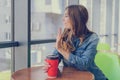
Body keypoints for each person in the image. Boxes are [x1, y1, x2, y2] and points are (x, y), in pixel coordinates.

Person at [44, 5, 108, 80]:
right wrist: (49, 64)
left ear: (76, 19)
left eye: (66, 16)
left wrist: (61, 50)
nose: (63, 19)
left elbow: (84, 65)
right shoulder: (65, 36)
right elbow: (56, 57)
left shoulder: (92, 38)